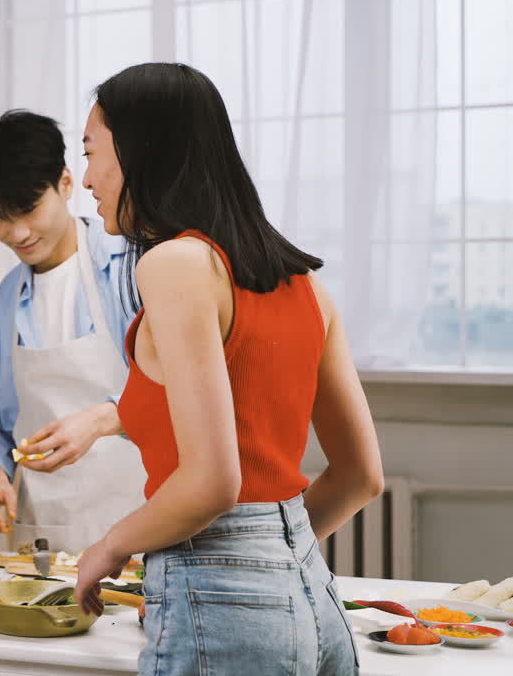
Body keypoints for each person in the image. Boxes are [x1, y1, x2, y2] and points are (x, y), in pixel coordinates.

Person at [71, 63, 384, 676]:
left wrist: (111, 547)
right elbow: (360, 477)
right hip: (313, 598)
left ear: (142, 150)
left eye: (91, 153)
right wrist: (265, 562)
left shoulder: (174, 265)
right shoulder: (306, 286)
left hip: (225, 594)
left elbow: (213, 483)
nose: (86, 179)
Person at [0, 110, 147, 553]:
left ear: (65, 182)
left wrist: (101, 420)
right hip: (46, 533)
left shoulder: (135, 270)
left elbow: (178, 390)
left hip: (143, 521)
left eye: (28, 209)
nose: (17, 232)